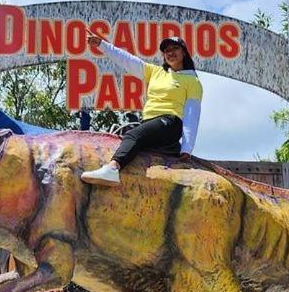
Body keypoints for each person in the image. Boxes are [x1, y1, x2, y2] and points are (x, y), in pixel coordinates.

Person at [81, 30, 203, 187]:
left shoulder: (192, 81)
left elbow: (192, 114)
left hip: (170, 122)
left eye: (174, 49)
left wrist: (187, 148)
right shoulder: (156, 72)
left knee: (133, 134)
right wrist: (102, 45)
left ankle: (113, 168)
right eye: (166, 51)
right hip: (150, 123)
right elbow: (127, 60)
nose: (170, 53)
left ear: (184, 52)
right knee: (125, 138)